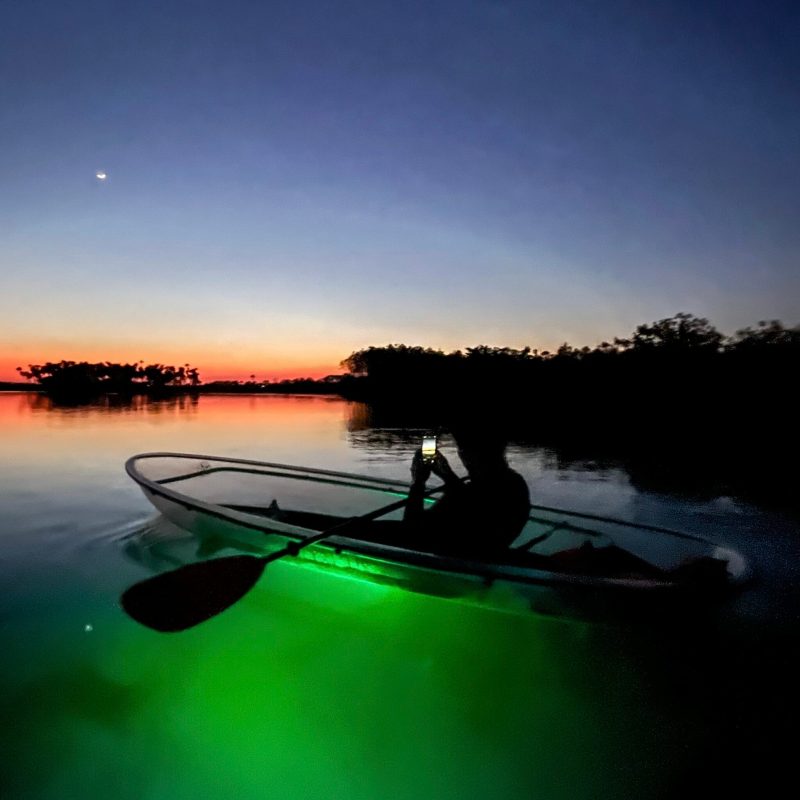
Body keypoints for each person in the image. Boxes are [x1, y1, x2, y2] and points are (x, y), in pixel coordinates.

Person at [372, 428, 530, 558]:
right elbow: (475, 502)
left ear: (468, 454)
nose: (460, 454)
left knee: (364, 529)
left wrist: (418, 482)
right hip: (484, 557)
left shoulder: (471, 495)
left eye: (462, 448)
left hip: (446, 563)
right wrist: (449, 476)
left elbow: (411, 530)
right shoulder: (516, 484)